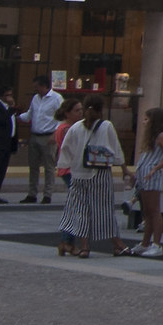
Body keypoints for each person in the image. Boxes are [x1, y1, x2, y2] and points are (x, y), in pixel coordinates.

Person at [55, 97, 122, 258]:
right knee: (104, 209)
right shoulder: (106, 126)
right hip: (99, 172)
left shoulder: (76, 127)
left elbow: (66, 150)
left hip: (78, 173)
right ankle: (117, 245)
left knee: (81, 210)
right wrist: (122, 166)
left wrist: (72, 162)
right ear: (101, 109)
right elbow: (115, 150)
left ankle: (85, 247)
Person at [121, 109, 163, 257]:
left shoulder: (161, 136)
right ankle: (145, 243)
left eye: (146, 119)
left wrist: (156, 168)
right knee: (147, 211)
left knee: (154, 210)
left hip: (152, 174)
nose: (144, 122)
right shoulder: (149, 138)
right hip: (144, 174)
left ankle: (156, 244)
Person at [20, 74, 62, 204]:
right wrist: (16, 116)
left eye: (37, 87)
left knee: (49, 167)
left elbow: (61, 118)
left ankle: (47, 194)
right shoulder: (35, 98)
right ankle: (32, 193)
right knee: (33, 166)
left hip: (48, 136)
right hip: (35, 135)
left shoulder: (56, 99)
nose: (35, 89)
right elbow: (29, 115)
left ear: (44, 86)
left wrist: (55, 134)